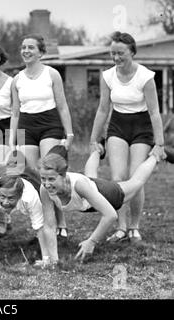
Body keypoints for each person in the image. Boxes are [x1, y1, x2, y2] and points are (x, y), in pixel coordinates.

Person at [89, 31, 166, 243]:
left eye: (120, 53)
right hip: (118, 126)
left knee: (135, 178)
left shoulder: (145, 76)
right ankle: (121, 227)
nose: (116, 58)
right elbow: (103, 110)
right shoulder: (107, 76)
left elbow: (154, 112)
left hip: (142, 127)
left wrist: (159, 144)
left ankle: (134, 226)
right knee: (118, 178)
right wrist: (94, 139)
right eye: (112, 53)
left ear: (132, 51)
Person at [39, 144, 174, 265]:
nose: (46, 184)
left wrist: (92, 241)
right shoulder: (45, 188)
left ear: (63, 175)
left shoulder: (79, 186)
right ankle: (99, 148)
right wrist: (53, 261)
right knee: (90, 175)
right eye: (43, 178)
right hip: (90, 190)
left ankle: (158, 155)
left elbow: (110, 215)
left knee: (136, 183)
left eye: (51, 179)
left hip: (107, 194)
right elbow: (49, 226)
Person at [9, 34, 74, 169]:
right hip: (25, 126)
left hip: (50, 124)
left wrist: (69, 134)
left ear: (41, 53)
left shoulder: (52, 74)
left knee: (48, 167)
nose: (26, 51)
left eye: (31, 47)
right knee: (30, 172)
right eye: (23, 47)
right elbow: (15, 113)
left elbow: (62, 106)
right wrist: (11, 141)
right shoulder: (16, 79)